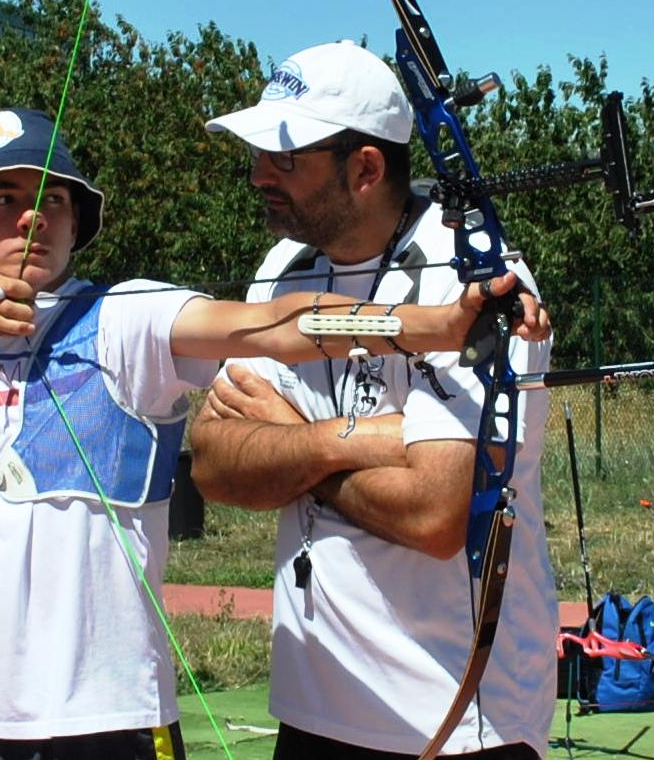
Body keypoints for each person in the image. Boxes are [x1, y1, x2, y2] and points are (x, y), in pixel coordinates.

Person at [0, 105, 539, 758]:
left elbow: (275, 324)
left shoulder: (125, 315)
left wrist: (434, 323)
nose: (34, 214)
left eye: (53, 198)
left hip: (109, 713)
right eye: (3, 200)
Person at [188, 40, 558, 759]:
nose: (260, 174)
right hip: (315, 711)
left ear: (365, 168)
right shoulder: (281, 269)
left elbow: (435, 511)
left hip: (460, 721)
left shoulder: (479, 276)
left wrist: (293, 442)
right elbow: (214, 461)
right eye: (258, 153)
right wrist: (350, 440)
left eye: (285, 157)